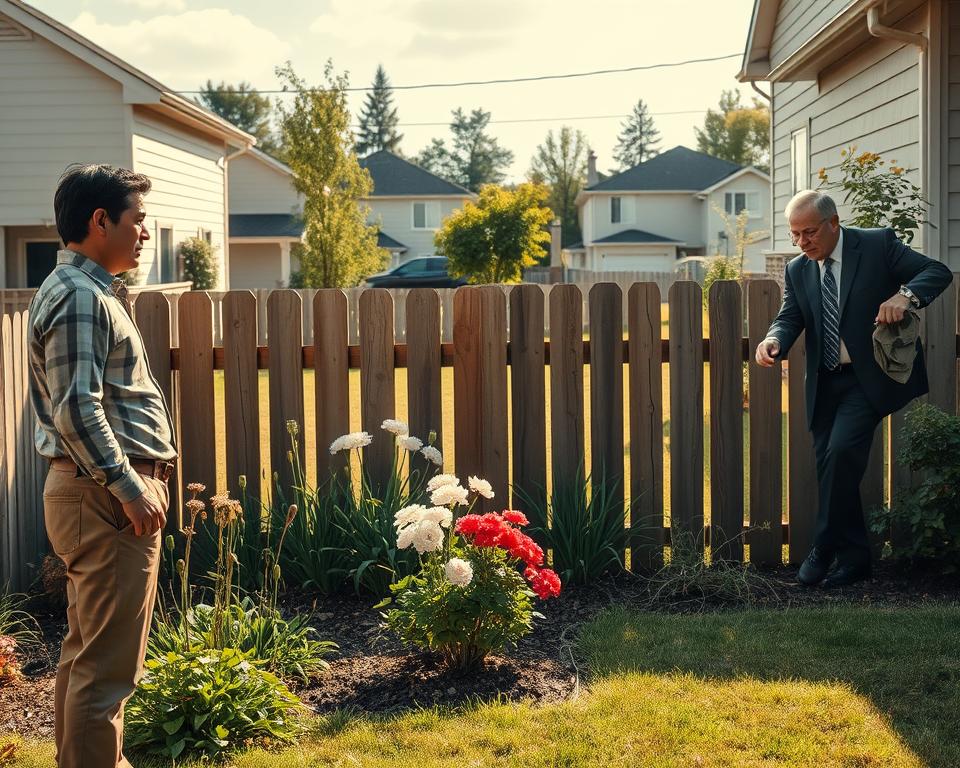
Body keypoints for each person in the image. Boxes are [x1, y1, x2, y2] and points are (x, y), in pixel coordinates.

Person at [28, 164, 178, 767]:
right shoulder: (80, 299)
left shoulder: (84, 292)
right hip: (105, 499)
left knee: (88, 656)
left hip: (96, 497)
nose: (143, 233)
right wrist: (131, 488)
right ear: (100, 221)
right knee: (108, 669)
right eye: (137, 220)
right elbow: (76, 409)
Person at [756, 190, 952, 588]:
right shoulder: (798, 269)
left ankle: (822, 548)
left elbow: (937, 271)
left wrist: (905, 295)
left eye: (809, 232)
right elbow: (790, 314)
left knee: (842, 451)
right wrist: (773, 338)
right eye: (795, 235)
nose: (802, 242)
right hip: (825, 381)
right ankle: (856, 558)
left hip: (870, 378)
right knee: (832, 465)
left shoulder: (878, 244)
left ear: (833, 223)